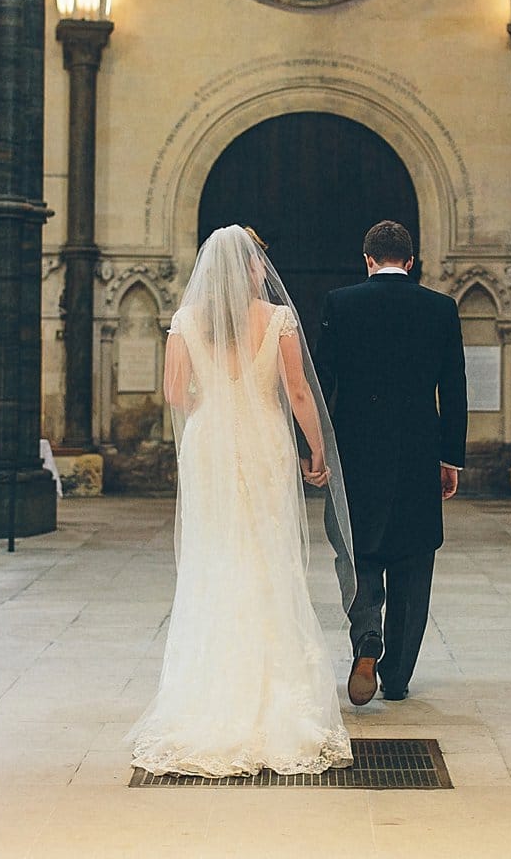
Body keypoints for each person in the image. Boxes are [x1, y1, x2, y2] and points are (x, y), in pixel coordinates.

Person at [127, 225, 357, 777]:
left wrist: (215, 395)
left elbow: (176, 395)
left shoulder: (185, 322)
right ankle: (271, 692)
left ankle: (209, 692)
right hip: (261, 439)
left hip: (210, 442)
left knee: (215, 554)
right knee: (265, 553)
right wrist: (319, 448)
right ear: (253, 269)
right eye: (258, 262)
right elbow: (299, 391)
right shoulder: (275, 319)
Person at [315, 220, 466, 705]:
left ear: (367, 260)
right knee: (413, 558)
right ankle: (397, 674)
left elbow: (322, 385)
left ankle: (366, 640)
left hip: (355, 454)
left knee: (358, 553)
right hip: (418, 453)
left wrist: (316, 449)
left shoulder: (340, 303)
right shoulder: (441, 309)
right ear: (411, 261)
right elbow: (455, 390)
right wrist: (450, 458)